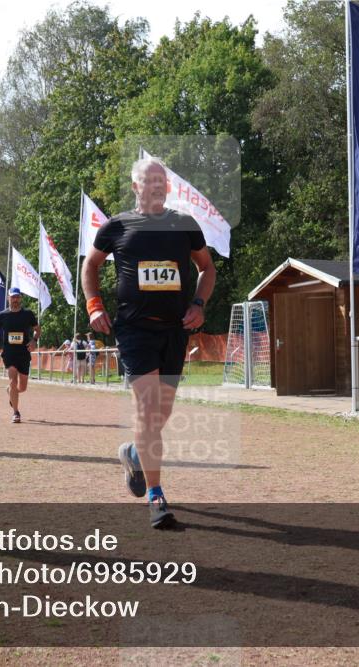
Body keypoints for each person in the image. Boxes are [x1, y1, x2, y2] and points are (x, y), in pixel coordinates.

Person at [82, 156, 215, 529]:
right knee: (146, 408)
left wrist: (199, 305)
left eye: (162, 180)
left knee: (161, 414)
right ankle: (156, 497)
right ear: (136, 186)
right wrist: (94, 307)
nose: (158, 185)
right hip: (134, 330)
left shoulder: (184, 225)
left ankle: (134, 454)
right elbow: (90, 266)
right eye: (150, 180)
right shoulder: (117, 226)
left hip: (174, 329)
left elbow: (207, 268)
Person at [0, 287, 40, 423]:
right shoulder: (2, 315)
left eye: (17, 297)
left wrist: (34, 340)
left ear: (21, 298)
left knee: (22, 388)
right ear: (8, 298)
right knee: (13, 380)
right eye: (13, 297)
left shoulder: (28, 314)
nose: (15, 300)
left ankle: (11, 392)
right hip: (9, 353)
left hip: (24, 353)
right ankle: (16, 412)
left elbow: (37, 329)